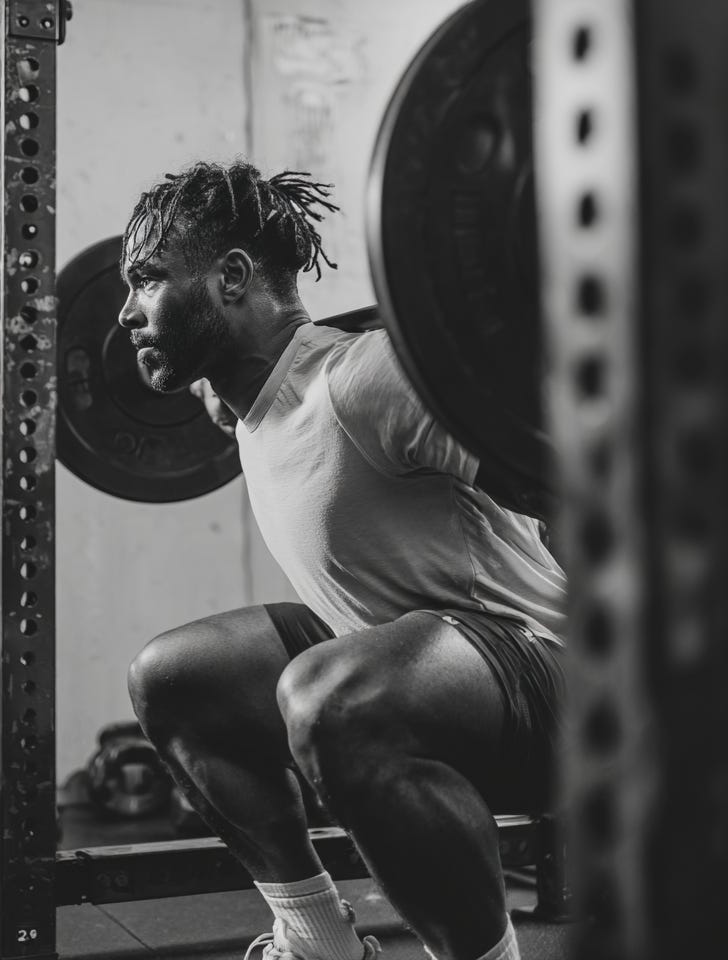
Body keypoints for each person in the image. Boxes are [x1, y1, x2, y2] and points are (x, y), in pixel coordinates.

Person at [118, 161, 566, 960]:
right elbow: (251, 396)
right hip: (422, 670)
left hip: (552, 676)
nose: (124, 312)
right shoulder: (249, 403)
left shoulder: (367, 376)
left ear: (230, 277)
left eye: (147, 281)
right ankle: (318, 940)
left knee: (332, 699)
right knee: (176, 677)